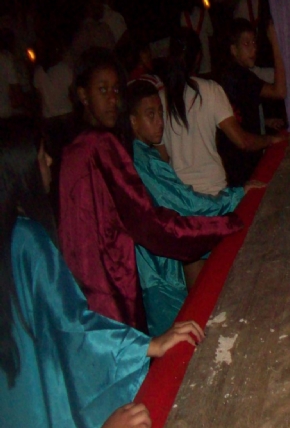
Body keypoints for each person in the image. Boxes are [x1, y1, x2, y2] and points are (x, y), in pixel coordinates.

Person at [0, 120, 203, 428]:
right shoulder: (24, 241)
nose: (50, 164)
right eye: (41, 157)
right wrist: (144, 347)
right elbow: (72, 326)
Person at [59, 49, 243, 331]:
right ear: (83, 95)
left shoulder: (79, 147)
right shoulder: (104, 148)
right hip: (118, 282)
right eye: (103, 90)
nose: (112, 99)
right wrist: (228, 220)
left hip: (94, 284)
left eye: (116, 90)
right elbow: (152, 222)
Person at [122, 78, 252, 335]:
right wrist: (236, 196)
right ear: (133, 121)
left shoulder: (142, 155)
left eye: (160, 113)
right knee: (179, 337)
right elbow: (183, 202)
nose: (159, 121)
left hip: (160, 266)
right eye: (150, 115)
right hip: (156, 274)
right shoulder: (142, 161)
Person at [161, 29, 284, 197]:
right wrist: (270, 139)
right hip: (212, 191)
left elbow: (162, 157)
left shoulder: (161, 97)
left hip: (180, 196)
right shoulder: (210, 90)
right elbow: (242, 141)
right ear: (198, 57)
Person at [220, 18, 287, 184]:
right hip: (244, 160)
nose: (253, 48)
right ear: (234, 50)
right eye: (246, 44)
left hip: (235, 159)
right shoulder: (242, 77)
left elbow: (240, 112)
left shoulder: (231, 74)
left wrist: (265, 121)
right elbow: (280, 92)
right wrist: (276, 44)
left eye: (254, 42)